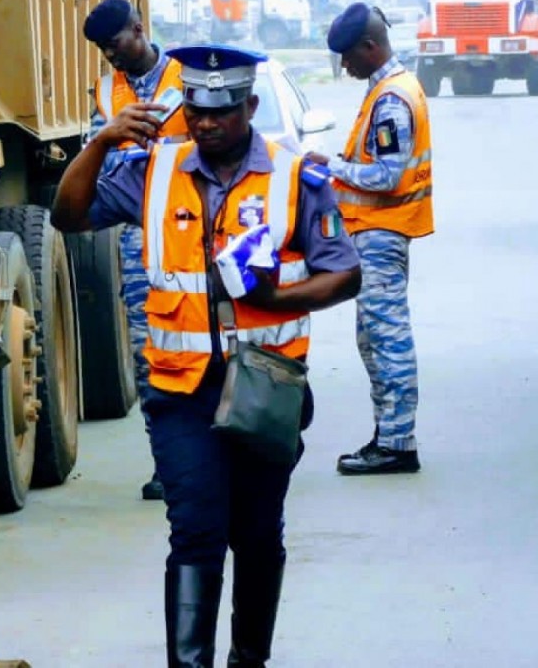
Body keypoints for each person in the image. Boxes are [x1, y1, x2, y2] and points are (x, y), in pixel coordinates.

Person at [52, 43, 361, 668]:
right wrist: (101, 142)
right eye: (196, 110)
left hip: (265, 392)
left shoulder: (292, 177)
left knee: (255, 534)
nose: (207, 122)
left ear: (249, 106)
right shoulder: (153, 172)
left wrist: (279, 295)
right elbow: (68, 215)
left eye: (222, 111)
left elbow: (345, 273)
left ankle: (250, 659)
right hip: (180, 391)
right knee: (195, 530)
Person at [314, 2, 434, 476]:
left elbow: (386, 176)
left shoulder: (391, 99)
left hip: (383, 232)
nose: (345, 66)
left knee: (387, 340)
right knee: (374, 338)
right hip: (377, 233)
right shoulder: (387, 88)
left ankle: (398, 444)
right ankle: (389, 436)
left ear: (370, 46)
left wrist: (328, 167)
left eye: (348, 56)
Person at [82, 0, 189, 501]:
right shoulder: (107, 95)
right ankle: (168, 463)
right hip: (138, 240)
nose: (111, 56)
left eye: (116, 43)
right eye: (104, 49)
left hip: (193, 237)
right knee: (150, 357)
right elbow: (94, 165)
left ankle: (212, 456)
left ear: (139, 29)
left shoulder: (189, 79)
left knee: (206, 351)